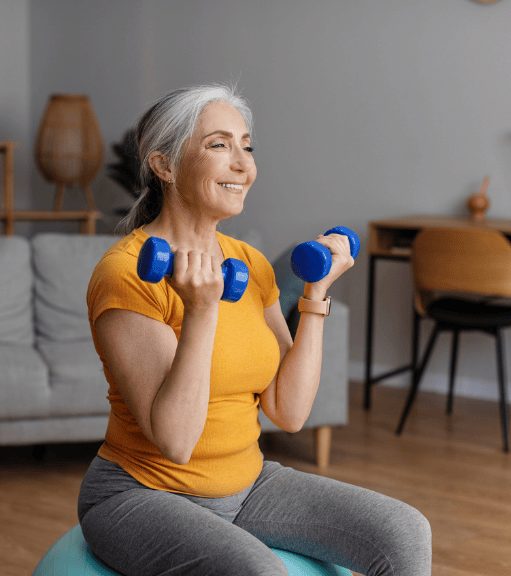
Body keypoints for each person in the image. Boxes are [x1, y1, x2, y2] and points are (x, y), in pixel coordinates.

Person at [79, 83, 432, 576]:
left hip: (247, 486)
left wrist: (315, 294)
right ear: (165, 166)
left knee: (403, 530)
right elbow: (176, 442)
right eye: (219, 145)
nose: (244, 165)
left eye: (247, 145)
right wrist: (201, 312)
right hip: (142, 493)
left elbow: (289, 412)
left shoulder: (249, 264)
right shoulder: (128, 275)